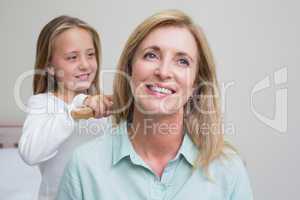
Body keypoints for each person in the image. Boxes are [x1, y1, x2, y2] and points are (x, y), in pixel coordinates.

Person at [56, 10, 253, 200]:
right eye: (151, 55)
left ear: (196, 84)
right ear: (129, 69)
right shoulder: (84, 166)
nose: (164, 71)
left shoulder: (228, 169)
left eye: (182, 61)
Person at [18, 15, 112, 200]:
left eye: (90, 54)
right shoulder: (42, 103)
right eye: (72, 57)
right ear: (50, 66)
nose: (85, 64)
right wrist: (75, 109)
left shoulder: (100, 106)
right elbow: (30, 153)